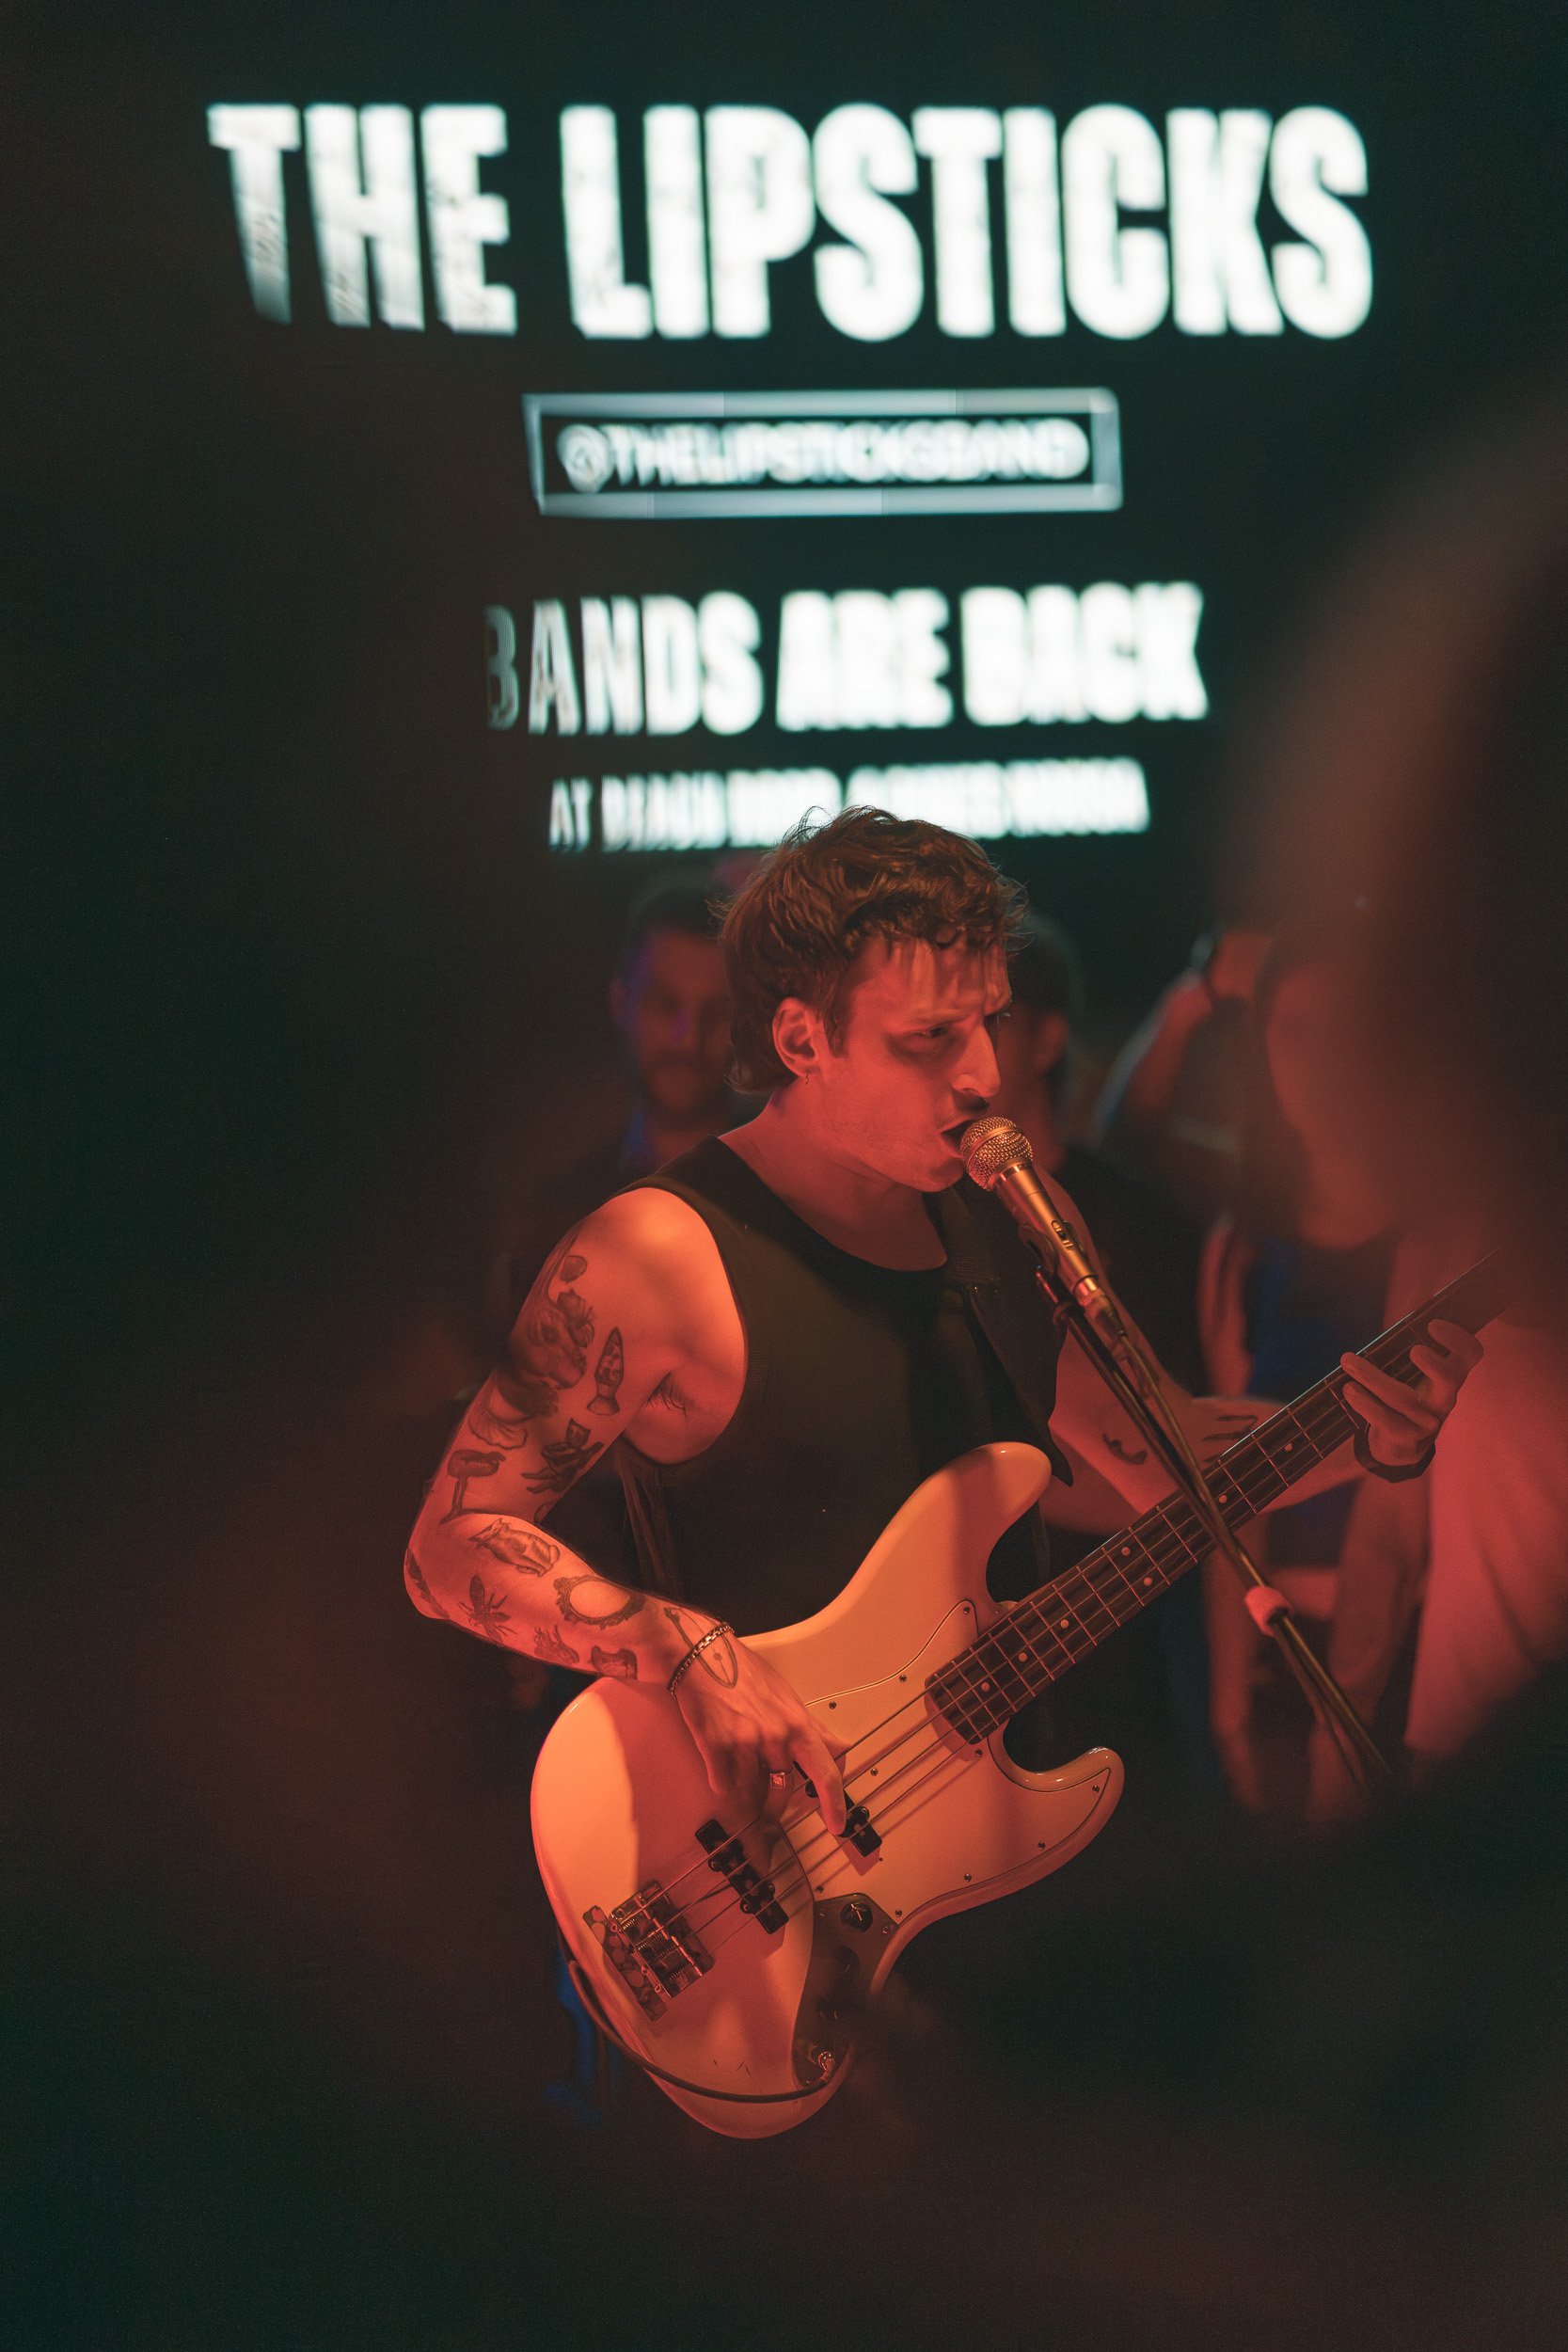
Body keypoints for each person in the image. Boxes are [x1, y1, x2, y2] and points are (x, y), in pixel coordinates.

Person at [405, 809, 1479, 1846]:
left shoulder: (1009, 1211)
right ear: (801, 1037)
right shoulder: (652, 1256)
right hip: (750, 1858)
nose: (980, 1073)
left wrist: (1374, 1439)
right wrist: (681, 1650)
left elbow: (1162, 1465)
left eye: (988, 1022)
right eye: (928, 1038)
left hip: (995, 1833)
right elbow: (447, 1546)